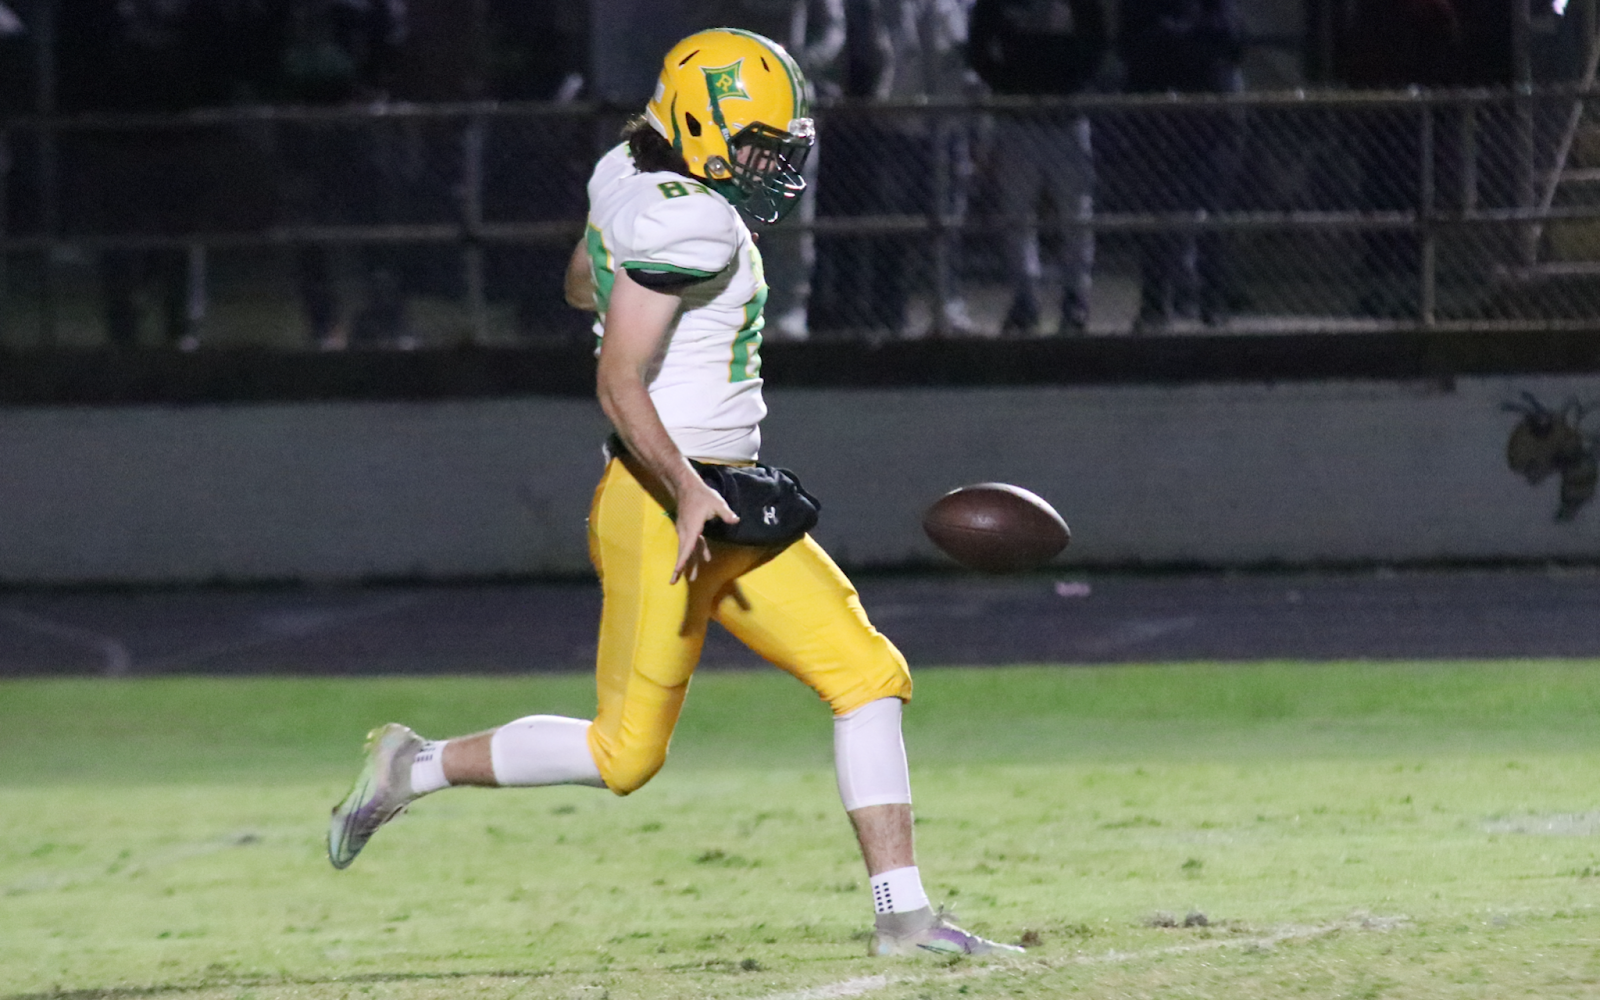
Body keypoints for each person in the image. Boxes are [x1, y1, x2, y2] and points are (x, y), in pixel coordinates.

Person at [327, 27, 1023, 960]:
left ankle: (903, 917)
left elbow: (581, 281)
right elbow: (618, 379)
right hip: (667, 502)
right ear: (700, 128)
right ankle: (412, 767)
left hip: (724, 496)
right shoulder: (689, 221)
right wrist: (688, 488)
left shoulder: (627, 169)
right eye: (758, 147)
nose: (775, 168)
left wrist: (640, 317)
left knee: (868, 678)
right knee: (624, 755)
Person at [968, 0, 1108, 336]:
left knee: (1075, 212)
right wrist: (1007, 84)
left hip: (1066, 116)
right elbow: (979, 45)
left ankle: (1076, 296)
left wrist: (1073, 84)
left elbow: (1097, 41)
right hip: (1018, 116)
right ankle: (1025, 298)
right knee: (1017, 211)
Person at [1117, 0, 1247, 330]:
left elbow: (1229, 36)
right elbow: (1131, 44)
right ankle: (1156, 305)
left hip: (1209, 118)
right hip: (1157, 118)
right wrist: (1182, 37)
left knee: (1213, 213)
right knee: (1158, 215)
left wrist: (1175, 37)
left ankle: (1212, 302)